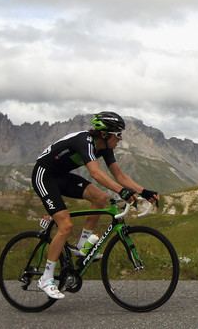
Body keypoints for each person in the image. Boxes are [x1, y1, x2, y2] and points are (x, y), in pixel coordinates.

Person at [31, 111, 159, 299]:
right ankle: (46, 278)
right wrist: (122, 191)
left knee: (100, 198)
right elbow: (96, 174)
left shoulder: (105, 147)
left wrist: (144, 192)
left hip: (61, 177)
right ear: (105, 134)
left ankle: (83, 245)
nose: (121, 139)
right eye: (118, 135)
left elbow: (119, 175)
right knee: (65, 225)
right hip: (44, 176)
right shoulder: (85, 142)